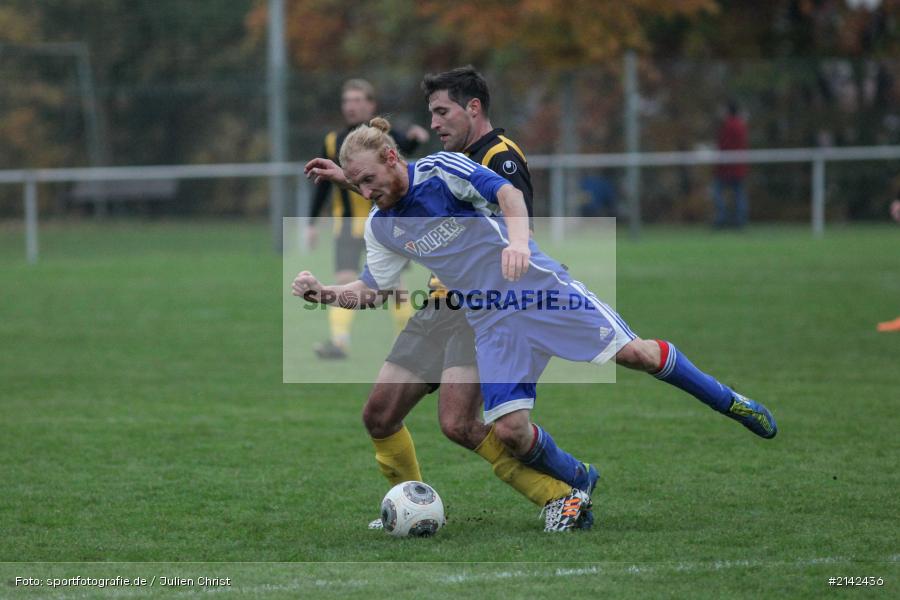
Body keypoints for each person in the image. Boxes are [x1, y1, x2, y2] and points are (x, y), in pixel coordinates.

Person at [294, 117, 778, 526]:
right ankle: (575, 480)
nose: (365, 192)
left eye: (368, 180)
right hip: (490, 322)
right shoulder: (382, 226)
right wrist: (326, 293)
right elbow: (373, 289)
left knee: (639, 355)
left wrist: (520, 244)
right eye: (356, 185)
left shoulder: (442, 170)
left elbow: (506, 193)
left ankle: (731, 402)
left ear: (392, 157)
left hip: (539, 290)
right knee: (510, 431)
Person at [306, 67, 596, 532]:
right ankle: (411, 505)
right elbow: (384, 240)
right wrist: (323, 292)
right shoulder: (389, 203)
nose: (438, 123)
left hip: (479, 306)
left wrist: (519, 251)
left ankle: (559, 495)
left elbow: (498, 204)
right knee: (379, 416)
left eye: (444, 113)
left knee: (458, 423)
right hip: (439, 305)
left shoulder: (465, 163)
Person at [307, 78, 429, 359]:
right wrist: (311, 223)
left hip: (388, 223)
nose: (350, 106)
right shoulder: (332, 140)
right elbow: (322, 185)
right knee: (345, 278)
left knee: (395, 287)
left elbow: (403, 156)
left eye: (357, 100)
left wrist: (415, 138)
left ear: (371, 105)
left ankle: (406, 343)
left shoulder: (382, 137)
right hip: (347, 226)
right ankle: (339, 343)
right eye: (346, 101)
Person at [712, 100, 749, 229]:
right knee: (738, 193)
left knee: (718, 191)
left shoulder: (728, 125)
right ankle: (738, 220)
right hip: (737, 166)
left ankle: (722, 218)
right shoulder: (741, 125)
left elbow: (724, 145)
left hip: (728, 166)